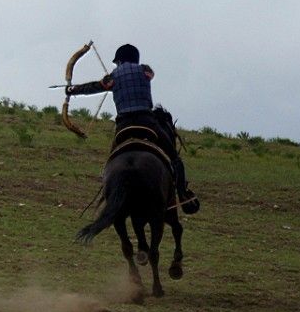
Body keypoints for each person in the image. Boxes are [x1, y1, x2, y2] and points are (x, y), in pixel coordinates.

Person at [66, 44, 200, 214]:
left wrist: (72, 90)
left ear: (119, 60)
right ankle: (183, 196)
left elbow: (95, 86)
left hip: (124, 126)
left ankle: (108, 191)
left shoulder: (112, 77)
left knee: (111, 162)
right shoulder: (145, 70)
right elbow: (149, 75)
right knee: (175, 159)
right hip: (147, 122)